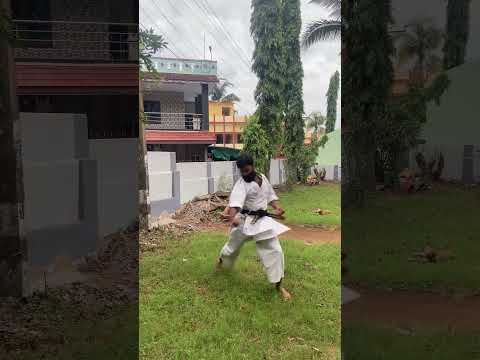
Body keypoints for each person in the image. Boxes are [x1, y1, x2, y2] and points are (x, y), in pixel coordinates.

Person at [216, 153, 292, 300]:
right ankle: (220, 262)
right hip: (244, 222)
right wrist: (233, 218)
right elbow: (234, 204)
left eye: (247, 170)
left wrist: (277, 208)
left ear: (253, 166)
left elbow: (269, 196)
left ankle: (279, 286)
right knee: (231, 247)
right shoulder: (241, 184)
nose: (244, 173)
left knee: (275, 250)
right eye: (242, 171)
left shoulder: (262, 178)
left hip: (262, 222)